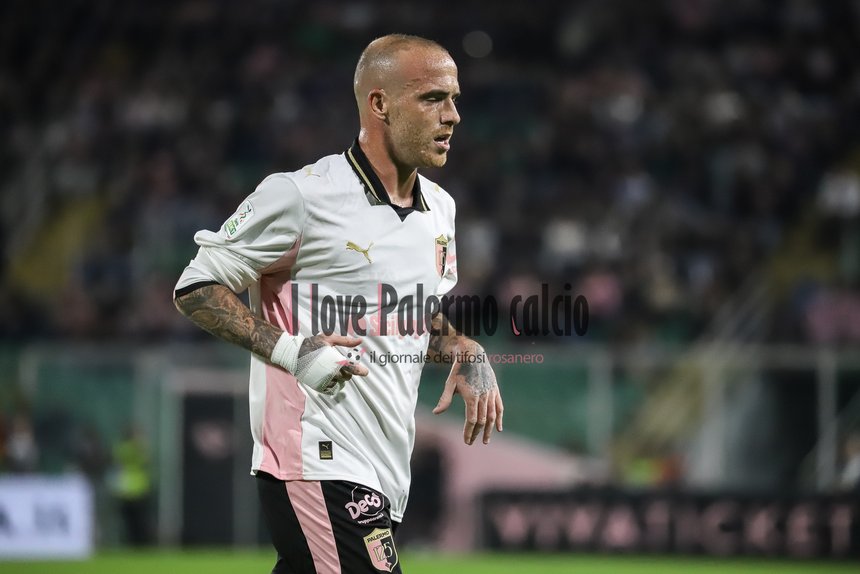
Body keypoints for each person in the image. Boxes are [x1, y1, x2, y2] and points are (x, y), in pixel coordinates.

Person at [174, 34, 503, 573]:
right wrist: (294, 352)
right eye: (432, 98)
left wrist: (462, 347)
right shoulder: (301, 195)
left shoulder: (440, 210)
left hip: (384, 466)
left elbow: (413, 315)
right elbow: (196, 285)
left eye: (454, 99)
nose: (453, 116)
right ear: (379, 104)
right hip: (316, 456)